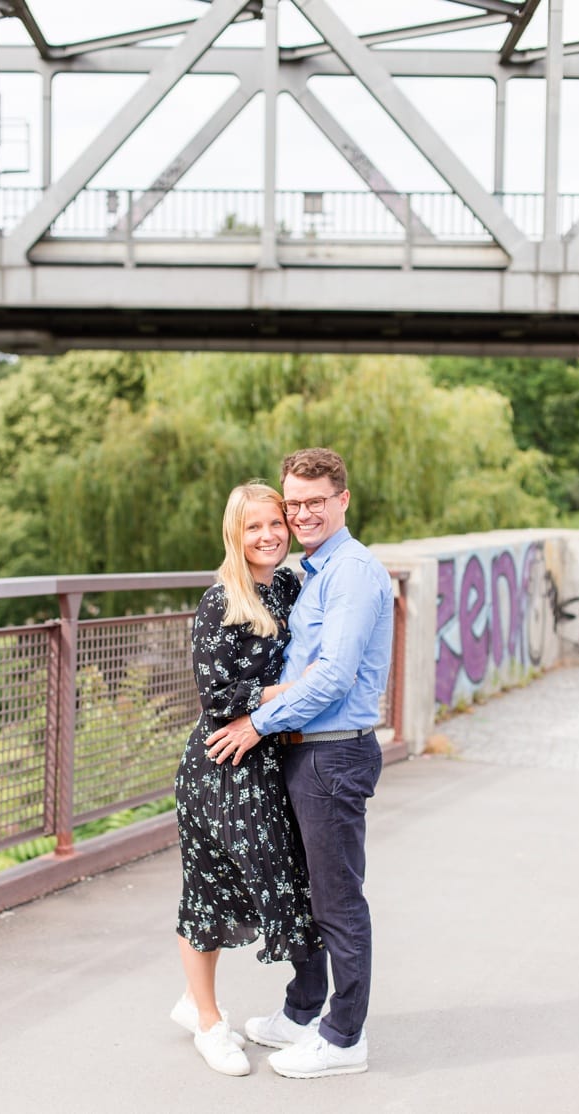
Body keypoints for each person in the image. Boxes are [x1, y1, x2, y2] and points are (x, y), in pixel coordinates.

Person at [205, 448, 394, 1079]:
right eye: (296, 503)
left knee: (338, 900)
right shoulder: (312, 571)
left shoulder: (352, 572)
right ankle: (303, 1009)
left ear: (343, 500)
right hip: (303, 751)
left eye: (317, 501)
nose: (304, 513)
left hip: (333, 752)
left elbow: (335, 676)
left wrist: (255, 723)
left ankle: (344, 1038)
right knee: (308, 892)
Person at [171, 482, 322, 1077]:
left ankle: (291, 1011)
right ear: (235, 534)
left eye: (275, 524)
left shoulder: (289, 585)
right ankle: (208, 1019)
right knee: (213, 885)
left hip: (271, 757)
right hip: (223, 764)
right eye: (253, 527)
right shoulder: (222, 600)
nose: (267, 536)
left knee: (284, 878)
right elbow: (214, 698)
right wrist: (282, 692)